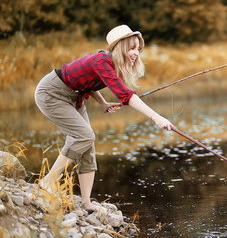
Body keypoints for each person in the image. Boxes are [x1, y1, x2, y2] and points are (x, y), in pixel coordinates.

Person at [34, 25, 173, 212]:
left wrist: (103, 103)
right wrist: (155, 117)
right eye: (132, 48)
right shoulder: (102, 60)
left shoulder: (111, 65)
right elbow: (126, 95)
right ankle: (48, 181)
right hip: (52, 93)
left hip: (74, 96)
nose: (136, 53)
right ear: (120, 47)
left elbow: (87, 83)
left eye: (138, 49)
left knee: (88, 147)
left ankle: (86, 202)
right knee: (84, 136)